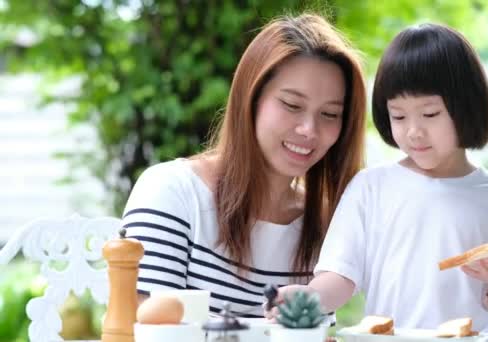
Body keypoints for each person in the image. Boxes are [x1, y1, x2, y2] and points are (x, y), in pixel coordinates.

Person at [268, 23, 488, 341]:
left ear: (466, 107)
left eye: (430, 114)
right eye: (399, 116)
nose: (413, 131)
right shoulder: (371, 187)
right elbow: (340, 276)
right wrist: (309, 299)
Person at [121, 13, 367, 318]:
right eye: (292, 105)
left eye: (330, 114)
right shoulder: (173, 192)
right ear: (250, 99)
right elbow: (139, 327)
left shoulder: (324, 223)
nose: (309, 129)